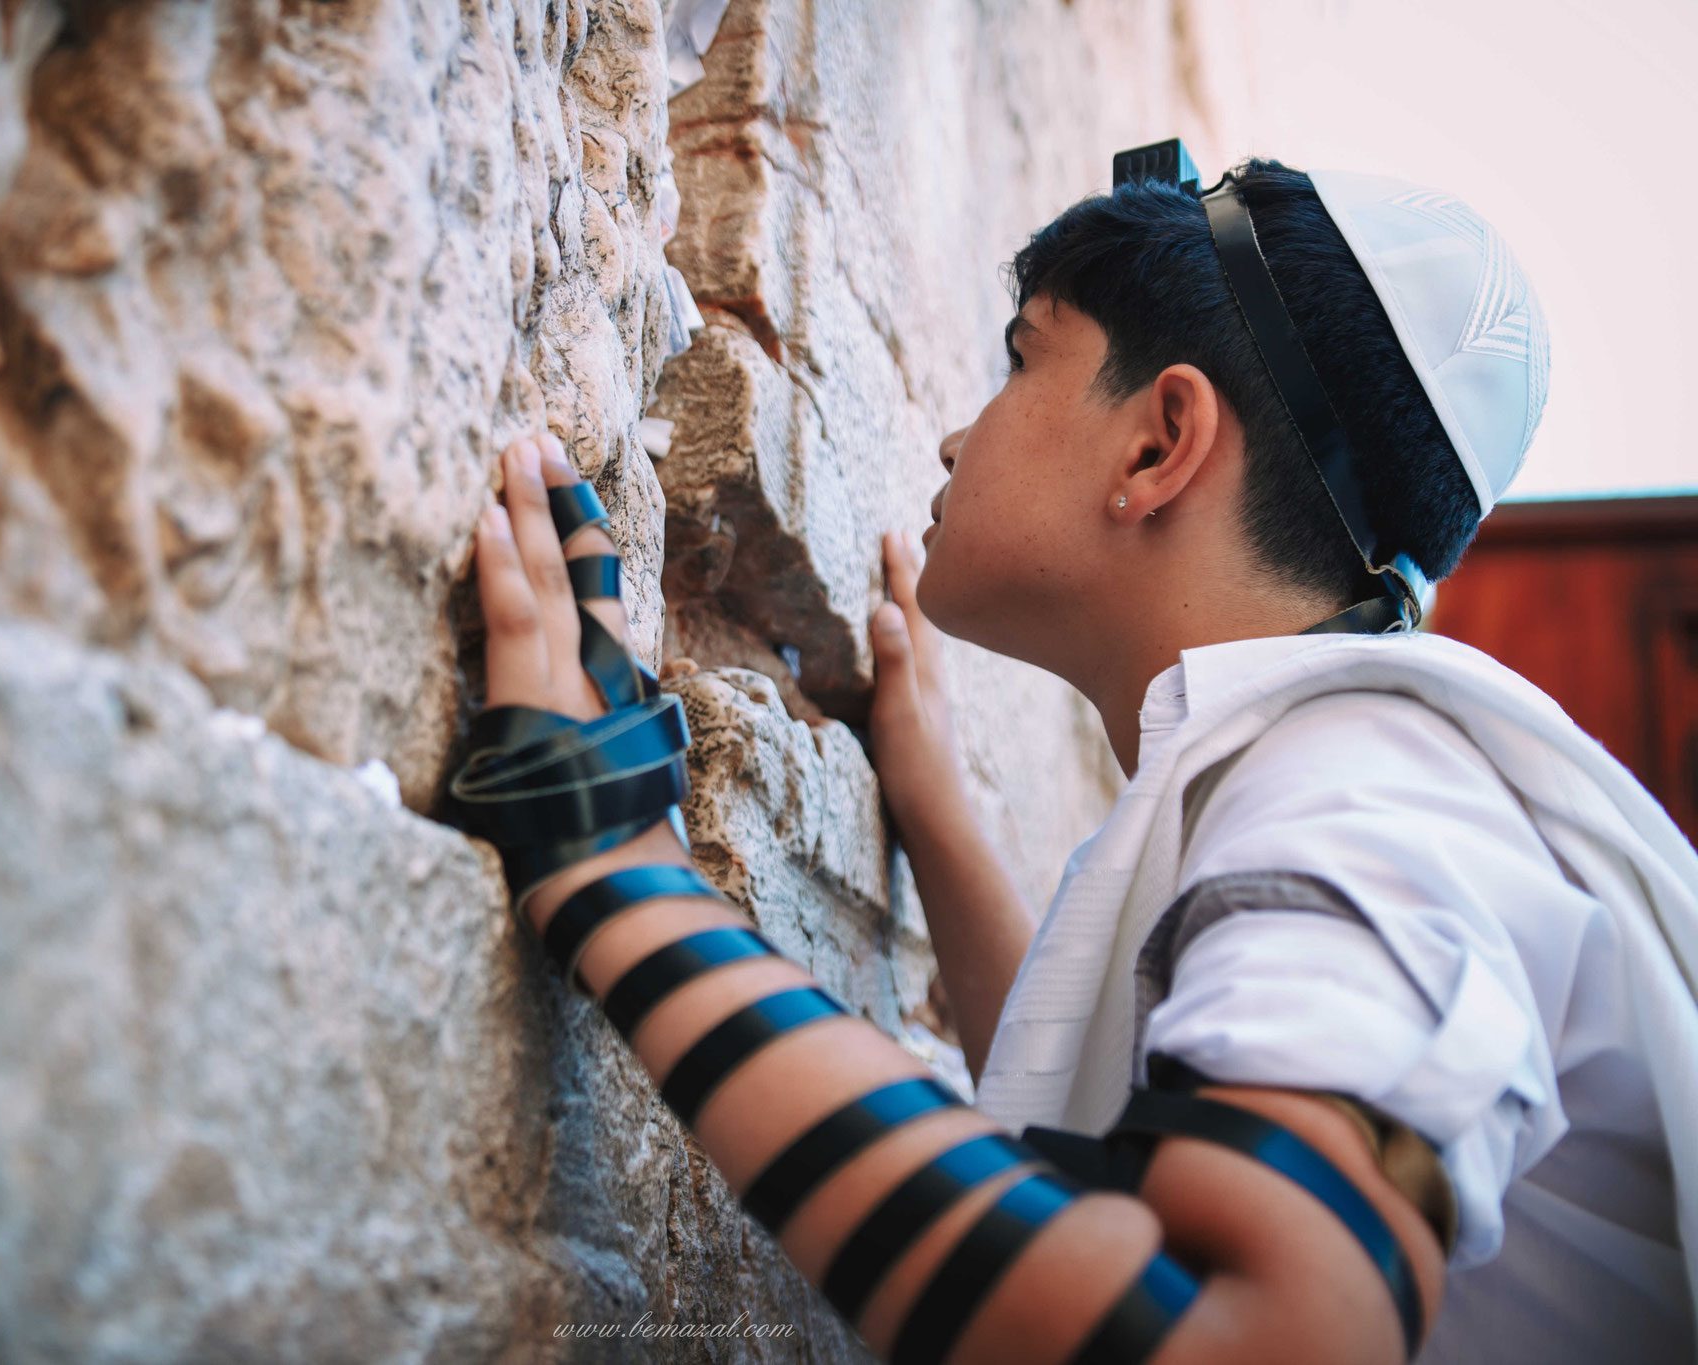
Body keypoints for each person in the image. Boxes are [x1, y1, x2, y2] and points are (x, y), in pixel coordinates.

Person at [454, 157, 1698, 1363]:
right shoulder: (1338, 781)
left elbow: (1246, 1331)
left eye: (1019, 358)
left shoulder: (1365, 799)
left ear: (1159, 444)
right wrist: (933, 810)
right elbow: (1094, 1114)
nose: (954, 440)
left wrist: (620, 874)